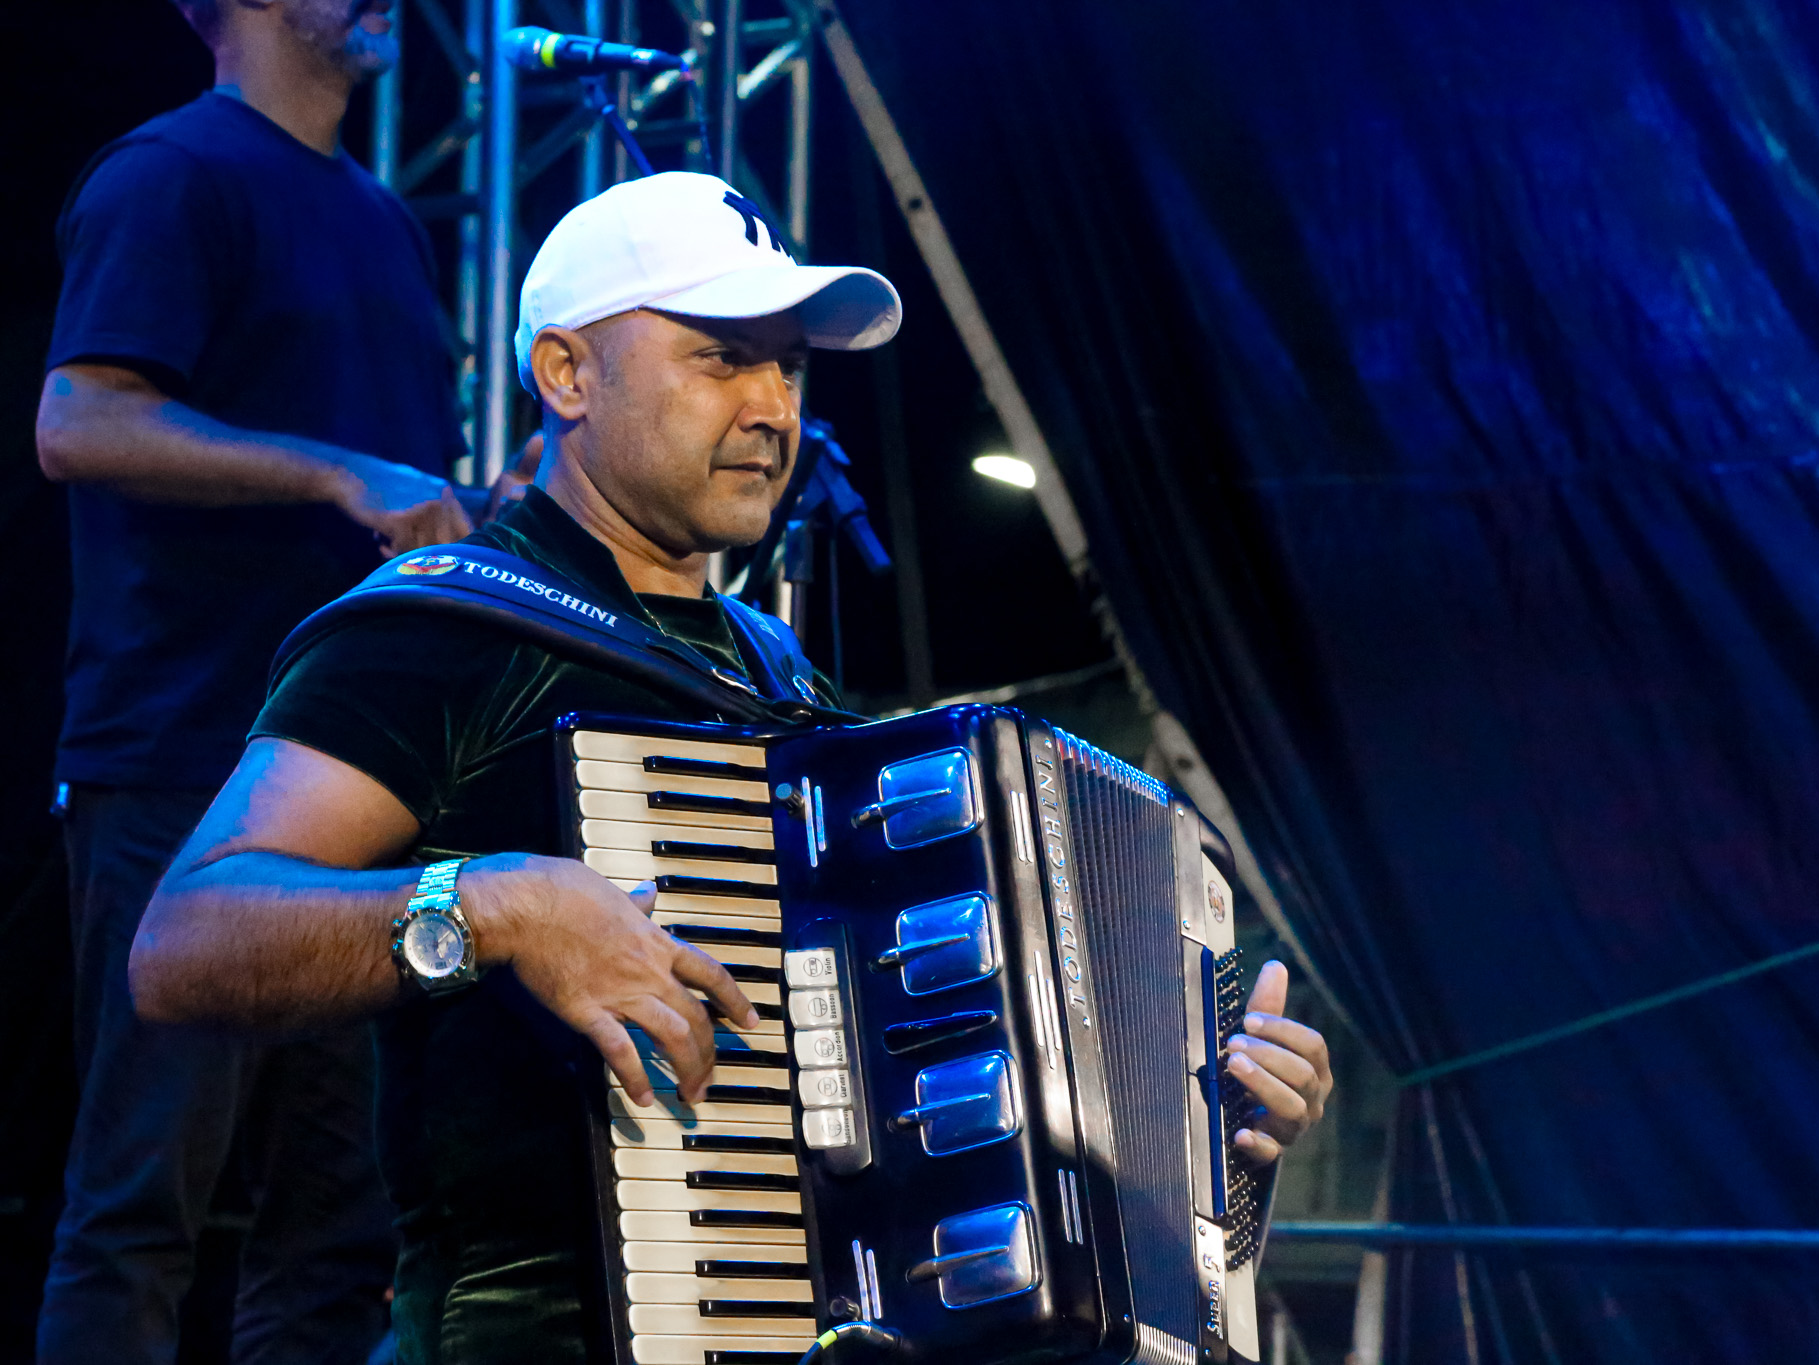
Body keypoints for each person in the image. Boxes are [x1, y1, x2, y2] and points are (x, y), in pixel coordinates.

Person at [127, 170, 1336, 1362]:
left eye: (788, 367)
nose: (772, 409)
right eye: (720, 357)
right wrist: (490, 906)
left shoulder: (778, 678)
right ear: (565, 374)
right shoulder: (440, 631)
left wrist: (1198, 1127)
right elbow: (183, 941)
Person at [32, 0, 479, 1358]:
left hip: (350, 785)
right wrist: (337, 473)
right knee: (140, 1207)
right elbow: (77, 420)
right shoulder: (171, 172)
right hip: (181, 766)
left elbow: (399, 488)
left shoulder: (384, 217)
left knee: (340, 1226)